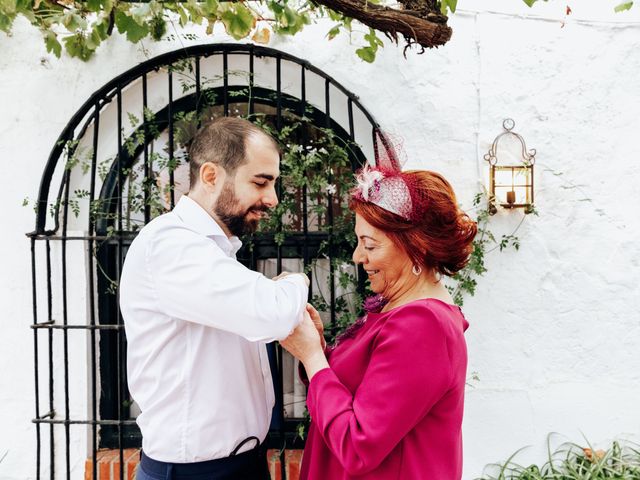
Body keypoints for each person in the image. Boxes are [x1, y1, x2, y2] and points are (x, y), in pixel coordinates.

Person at [120, 117, 310, 479]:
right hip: (196, 472)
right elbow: (272, 314)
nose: (272, 199)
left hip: (239, 464)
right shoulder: (172, 245)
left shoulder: (212, 248)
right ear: (211, 176)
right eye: (261, 182)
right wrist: (296, 280)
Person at [281, 163, 477, 480]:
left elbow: (358, 445)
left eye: (370, 245)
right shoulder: (399, 310)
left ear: (417, 248)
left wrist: (313, 358)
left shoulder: (422, 324)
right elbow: (361, 394)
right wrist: (317, 348)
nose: (359, 257)